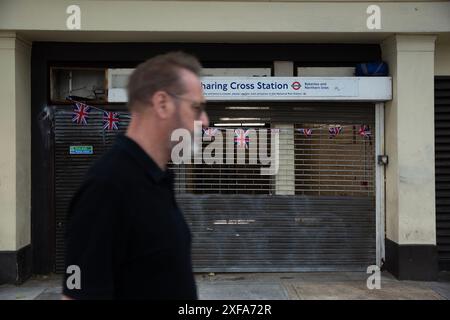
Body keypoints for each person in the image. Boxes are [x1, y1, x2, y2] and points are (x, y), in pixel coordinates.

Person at [62, 51, 209, 300]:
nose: (205, 121)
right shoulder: (107, 187)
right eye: (197, 108)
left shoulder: (157, 179)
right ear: (162, 104)